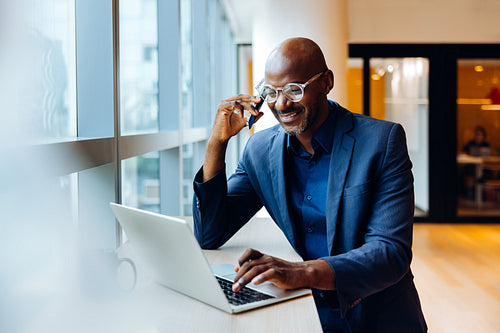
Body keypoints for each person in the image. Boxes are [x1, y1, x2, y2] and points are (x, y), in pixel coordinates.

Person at [192, 37, 427, 333]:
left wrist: (301, 272)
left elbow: (391, 252)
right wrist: (217, 144)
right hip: (304, 312)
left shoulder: (382, 141)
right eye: (271, 92)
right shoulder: (260, 151)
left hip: (376, 317)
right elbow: (211, 232)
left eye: (295, 89)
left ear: (326, 82)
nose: (282, 103)